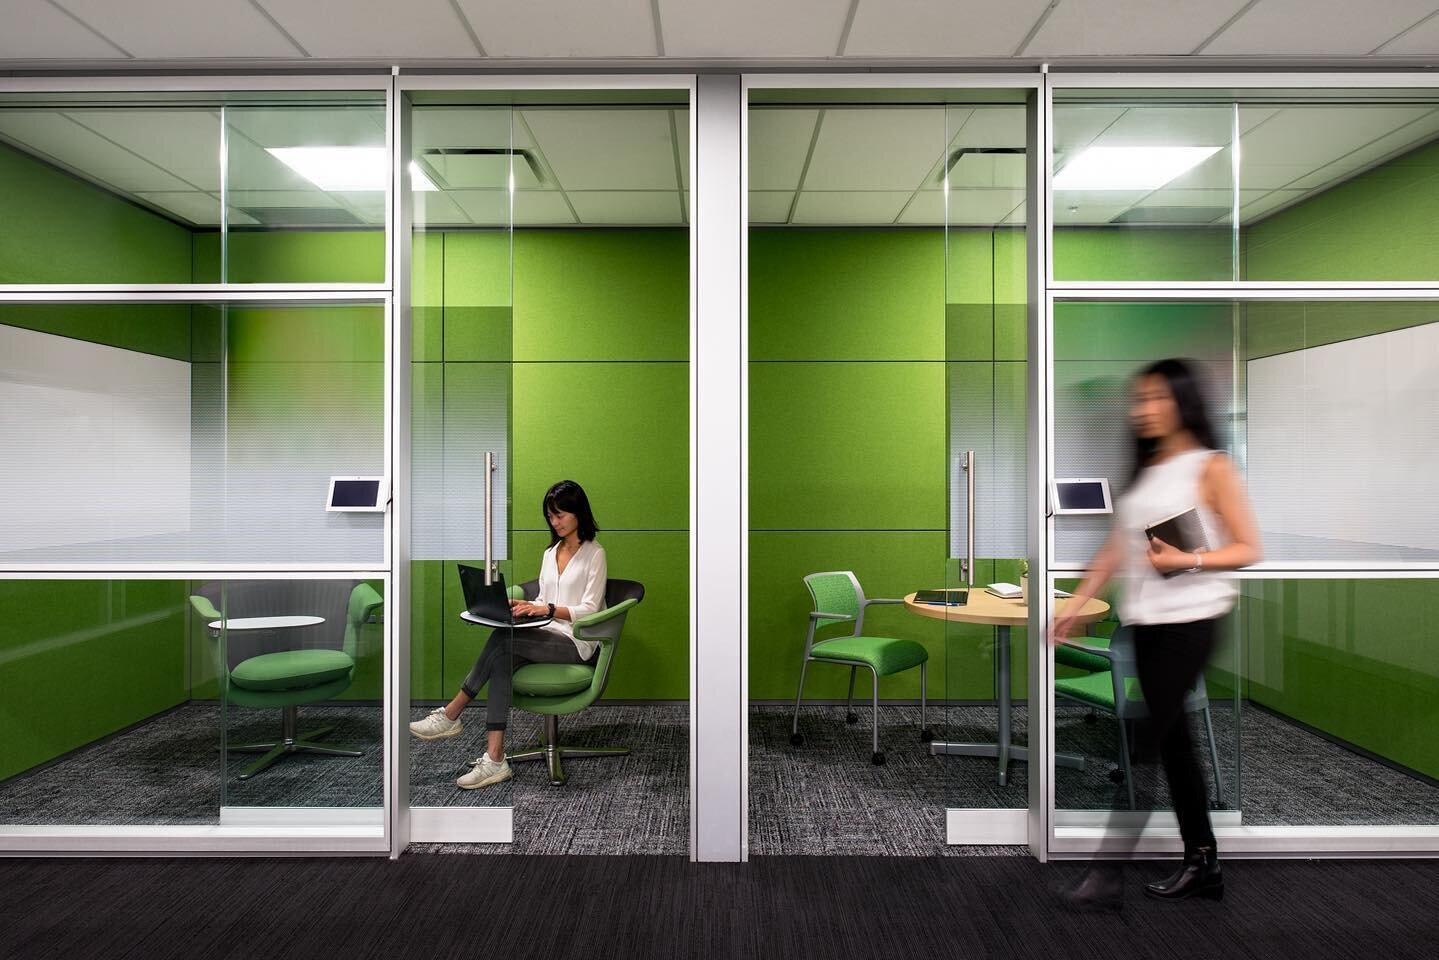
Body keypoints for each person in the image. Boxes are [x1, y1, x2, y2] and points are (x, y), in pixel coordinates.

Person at [1053, 358, 1261, 908]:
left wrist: (1189, 558)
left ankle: (1108, 875)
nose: (1142, 410)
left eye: (1155, 399)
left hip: (1191, 622)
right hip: (1143, 623)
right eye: (1139, 400)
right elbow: (1119, 547)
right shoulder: (1149, 470)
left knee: (1148, 739)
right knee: (1172, 745)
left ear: (1183, 402)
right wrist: (1075, 601)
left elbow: (1249, 547)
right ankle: (1204, 863)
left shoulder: (1210, 466)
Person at [409, 480, 607, 790]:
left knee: (503, 641)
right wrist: (528, 605)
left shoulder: (594, 553)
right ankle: (495, 758)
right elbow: (544, 597)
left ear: (578, 512)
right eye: (550, 517)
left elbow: (591, 608)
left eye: (560, 515)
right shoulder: (551, 551)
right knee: (501, 659)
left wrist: (548, 609)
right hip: (545, 633)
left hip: (575, 640)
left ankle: (453, 712)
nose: (554, 522)